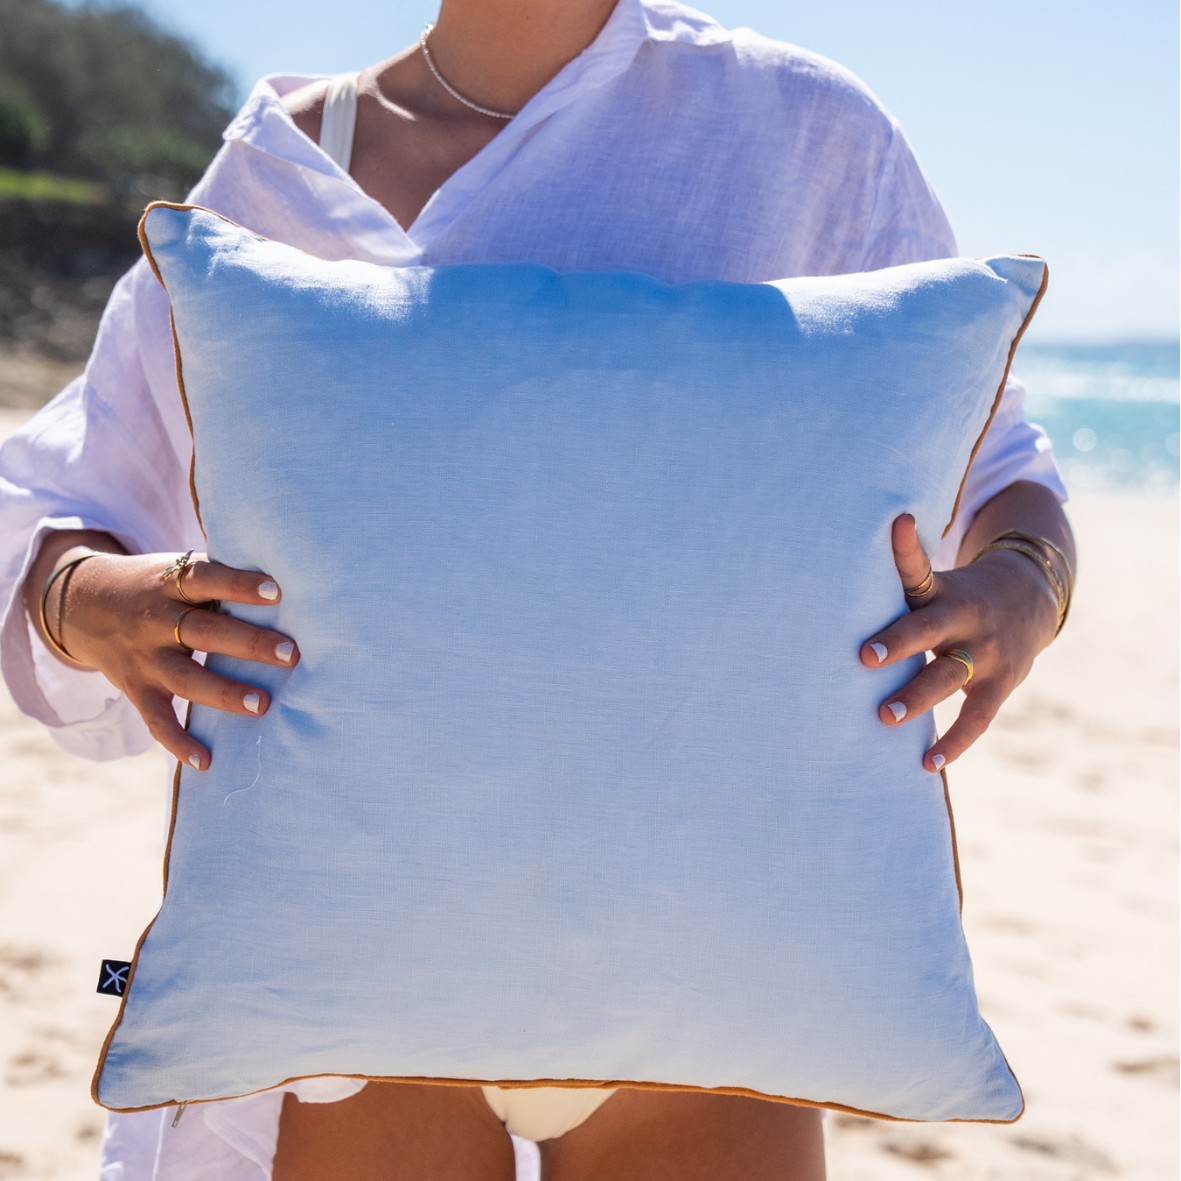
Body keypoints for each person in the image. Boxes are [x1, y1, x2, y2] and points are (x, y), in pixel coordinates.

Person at [0, 0, 1075, 1177]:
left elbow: (998, 464)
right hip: (352, 1000)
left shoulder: (798, 127)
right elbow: (74, 491)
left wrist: (1022, 581)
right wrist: (81, 598)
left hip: (715, 957)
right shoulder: (285, 169)